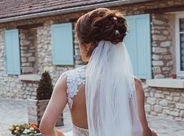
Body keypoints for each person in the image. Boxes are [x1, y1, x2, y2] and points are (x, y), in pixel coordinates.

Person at [39, 8, 158, 136]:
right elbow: (141, 131)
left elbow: (46, 127)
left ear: (86, 45)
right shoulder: (134, 85)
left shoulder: (69, 80)